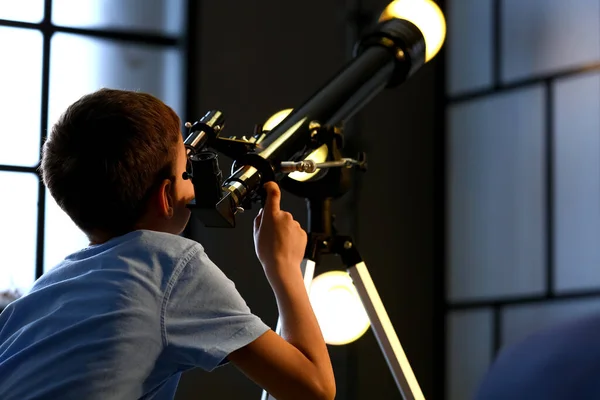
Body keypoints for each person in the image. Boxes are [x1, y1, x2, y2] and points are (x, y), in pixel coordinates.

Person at [0, 88, 335, 400]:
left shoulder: (44, 290)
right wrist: (282, 265)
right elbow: (314, 389)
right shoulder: (171, 266)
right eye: (186, 170)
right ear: (166, 197)